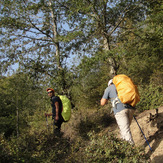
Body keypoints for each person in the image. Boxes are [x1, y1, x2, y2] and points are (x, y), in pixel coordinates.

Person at [100, 79, 135, 144]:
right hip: (131, 108)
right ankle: (123, 146)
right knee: (124, 129)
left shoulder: (109, 88)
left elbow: (102, 103)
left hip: (120, 110)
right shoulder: (122, 86)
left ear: (109, 84)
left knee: (125, 130)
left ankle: (132, 150)